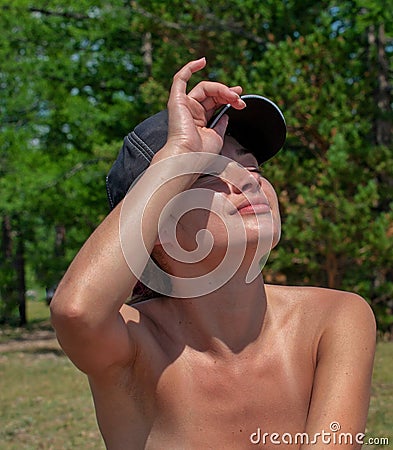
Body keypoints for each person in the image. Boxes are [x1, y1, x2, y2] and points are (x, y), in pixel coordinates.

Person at [50, 58, 376, 449]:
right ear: (153, 229)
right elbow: (75, 311)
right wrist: (177, 156)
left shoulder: (336, 319)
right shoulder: (132, 345)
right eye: (209, 174)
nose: (248, 182)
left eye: (252, 167)